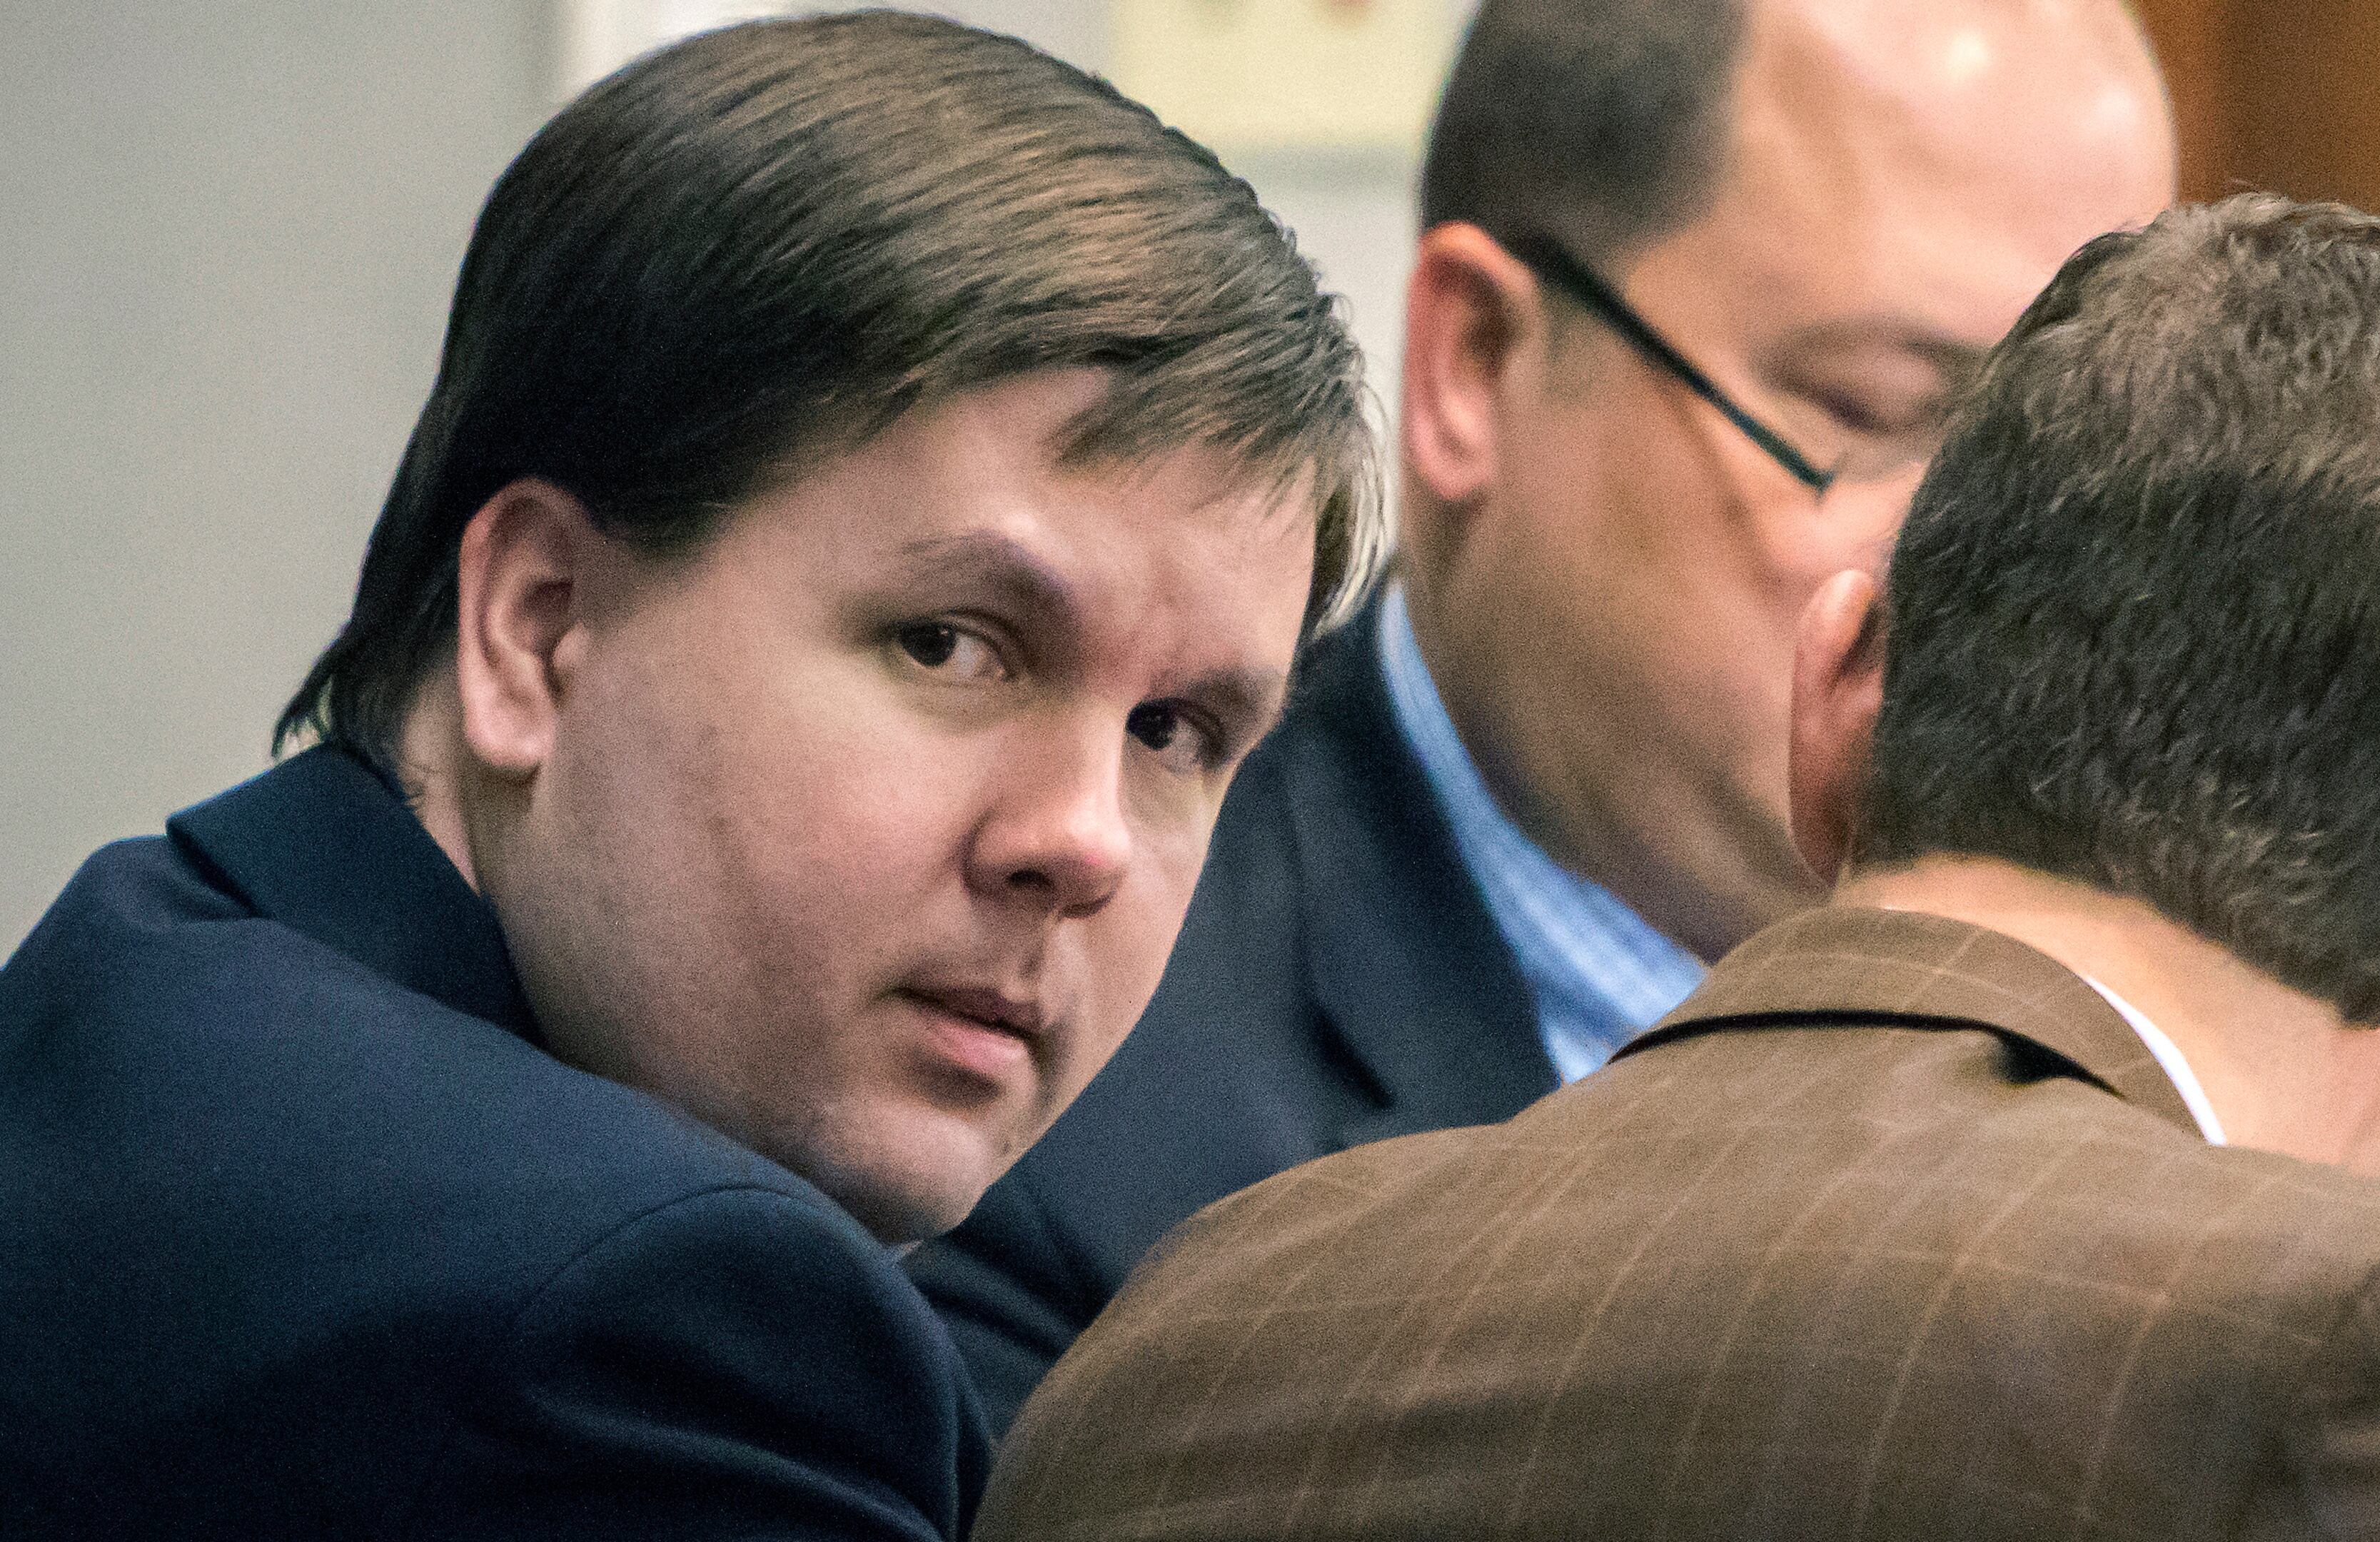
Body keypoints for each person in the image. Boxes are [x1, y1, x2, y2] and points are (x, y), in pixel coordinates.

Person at [913, 0, 2380, 1435]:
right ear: (1474, 364)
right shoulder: (1038, 1070)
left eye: (2102, 451)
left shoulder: (2362, 1040)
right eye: (1877, 411)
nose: (2018, 563)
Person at [0, 14, 1378, 1540]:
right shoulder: (659, 1321)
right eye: (950, 645)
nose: (1084, 843)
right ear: (540, 628)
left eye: (1172, 731)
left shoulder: (129, 988)